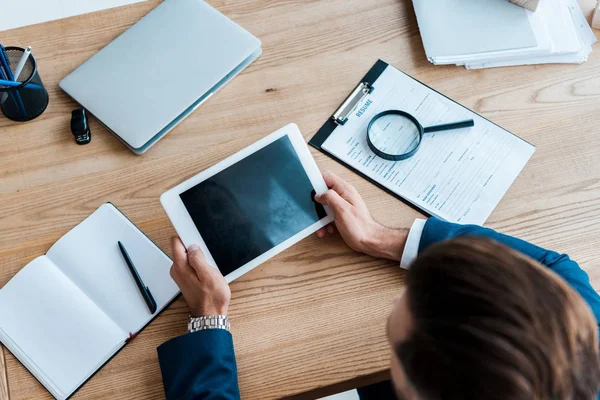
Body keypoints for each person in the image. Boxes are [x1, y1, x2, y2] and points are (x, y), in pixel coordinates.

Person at [157, 171, 600, 400]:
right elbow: (559, 271)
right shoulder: (584, 322)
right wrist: (381, 238)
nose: (399, 295)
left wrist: (208, 323)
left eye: (395, 332)